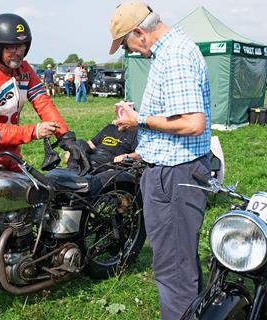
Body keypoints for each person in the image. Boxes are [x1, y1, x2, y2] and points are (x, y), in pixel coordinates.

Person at [109, 2, 211, 319]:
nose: (131, 51)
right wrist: (143, 148)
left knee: (173, 273)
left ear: (139, 31)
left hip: (173, 178)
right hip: (175, 172)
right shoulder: (172, 51)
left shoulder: (175, 55)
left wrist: (141, 121)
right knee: (180, 262)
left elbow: (193, 123)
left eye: (126, 43)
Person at [0, 13, 90, 174]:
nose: (18, 52)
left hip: (11, 148)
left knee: (33, 191)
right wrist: (35, 131)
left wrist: (66, 139)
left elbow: (42, 102)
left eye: (22, 46)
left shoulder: (24, 69)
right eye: (11, 47)